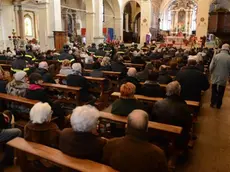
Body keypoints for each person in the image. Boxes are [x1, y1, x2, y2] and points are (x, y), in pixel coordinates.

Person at [102, 110, 168, 172]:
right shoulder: (157, 154)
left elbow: (104, 165)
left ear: (126, 126)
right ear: (146, 128)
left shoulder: (111, 144)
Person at [152, 81, 192, 149]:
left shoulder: (158, 103)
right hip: (177, 138)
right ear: (179, 92)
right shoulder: (184, 107)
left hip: (159, 134)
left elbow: (153, 118)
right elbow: (188, 125)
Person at [209, 44, 230, 109]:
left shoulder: (216, 56)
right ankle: (218, 105)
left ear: (222, 49)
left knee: (214, 90)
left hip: (215, 76)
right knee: (221, 91)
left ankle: (213, 103)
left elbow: (211, 67)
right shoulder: (229, 58)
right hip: (224, 77)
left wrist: (211, 73)